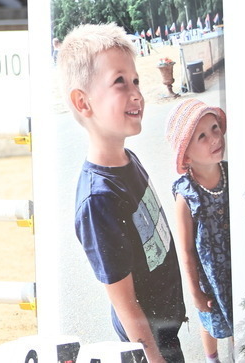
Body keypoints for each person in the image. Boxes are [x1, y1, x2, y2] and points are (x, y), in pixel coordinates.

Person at [57, 23, 185, 363]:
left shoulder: (129, 158)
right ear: (83, 102)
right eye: (120, 82)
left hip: (165, 331)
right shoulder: (99, 200)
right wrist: (154, 357)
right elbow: (125, 304)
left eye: (136, 81)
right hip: (148, 347)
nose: (136, 94)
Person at [165, 99, 232, 363]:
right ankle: (212, 358)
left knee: (240, 314)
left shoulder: (232, 172)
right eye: (201, 136)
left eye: (214, 128)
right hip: (211, 276)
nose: (214, 138)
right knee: (211, 320)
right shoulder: (187, 194)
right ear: (186, 156)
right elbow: (186, 250)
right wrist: (195, 292)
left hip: (236, 264)